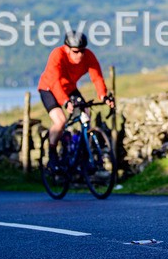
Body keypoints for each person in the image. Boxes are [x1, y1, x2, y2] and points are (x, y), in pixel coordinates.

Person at [37, 31, 114, 168]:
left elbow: (96, 77)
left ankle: (83, 151)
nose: (80, 55)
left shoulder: (88, 56)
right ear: (67, 49)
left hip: (70, 88)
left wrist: (103, 96)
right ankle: (52, 153)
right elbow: (55, 82)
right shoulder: (57, 55)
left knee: (86, 114)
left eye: (82, 51)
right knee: (60, 120)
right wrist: (65, 102)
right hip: (49, 88)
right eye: (76, 51)